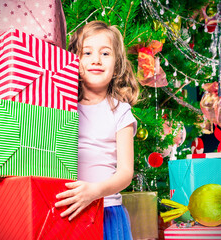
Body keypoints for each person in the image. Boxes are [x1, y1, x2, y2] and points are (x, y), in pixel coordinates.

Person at [54, 20, 139, 239]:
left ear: (117, 65)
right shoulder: (61, 106)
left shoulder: (121, 112)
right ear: (75, 60)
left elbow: (125, 173)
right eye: (87, 53)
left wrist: (94, 192)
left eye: (105, 54)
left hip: (107, 211)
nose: (96, 61)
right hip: (68, 210)